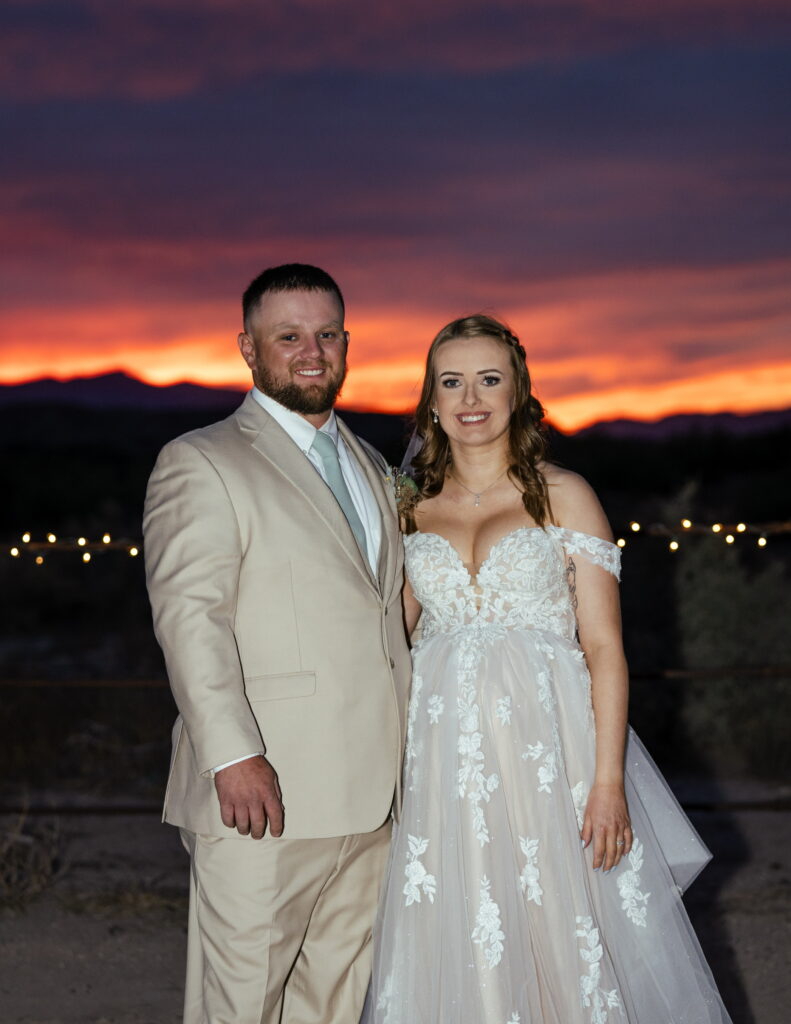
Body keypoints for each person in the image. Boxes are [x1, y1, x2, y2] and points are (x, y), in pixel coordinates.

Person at [364, 314, 731, 1023]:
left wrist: (606, 784)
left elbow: (603, 650)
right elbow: (390, 645)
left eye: (489, 378)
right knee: (463, 926)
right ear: (431, 402)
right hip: (445, 762)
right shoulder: (407, 510)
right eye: (451, 381)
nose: (470, 396)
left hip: (550, 754)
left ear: (518, 393)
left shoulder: (564, 494)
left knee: (562, 930)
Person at [143, 264, 411, 1024]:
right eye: (287, 336)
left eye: (327, 334)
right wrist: (231, 755)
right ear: (248, 349)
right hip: (265, 793)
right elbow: (192, 617)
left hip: (373, 796)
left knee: (331, 1003)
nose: (311, 351)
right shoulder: (201, 461)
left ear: (347, 344)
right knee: (239, 1007)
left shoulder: (370, 465)